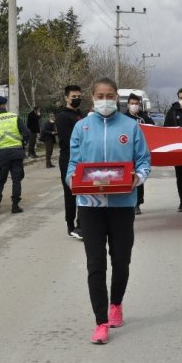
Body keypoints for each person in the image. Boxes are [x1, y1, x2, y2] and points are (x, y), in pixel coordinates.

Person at [66, 77, 151, 344]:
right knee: (95, 265)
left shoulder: (131, 127)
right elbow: (73, 164)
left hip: (122, 205)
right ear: (93, 98)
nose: (106, 99)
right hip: (90, 206)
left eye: (110, 95)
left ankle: (116, 304)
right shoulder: (82, 128)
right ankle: (100, 321)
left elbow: (144, 161)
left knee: (121, 260)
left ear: (117, 98)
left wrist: (135, 178)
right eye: (100, 95)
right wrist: (73, 180)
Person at [56, 85, 84, 239]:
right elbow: (68, 140)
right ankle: (70, 224)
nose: (77, 99)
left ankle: (81, 224)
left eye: (79, 96)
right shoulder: (63, 117)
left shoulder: (82, 114)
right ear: (66, 98)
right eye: (74, 97)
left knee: (83, 191)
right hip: (68, 158)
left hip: (84, 159)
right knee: (70, 192)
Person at [125, 93, 155, 215]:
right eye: (132, 103)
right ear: (128, 105)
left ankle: (138, 203)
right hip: (126, 153)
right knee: (127, 177)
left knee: (139, 177)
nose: (134, 106)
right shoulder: (123, 118)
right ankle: (128, 202)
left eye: (136, 104)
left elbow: (154, 130)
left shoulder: (144, 118)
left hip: (140, 153)